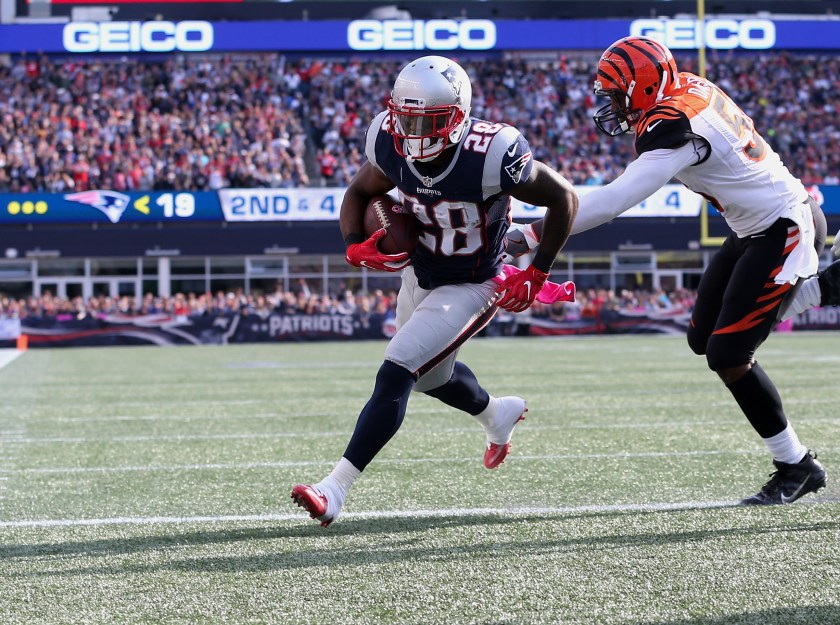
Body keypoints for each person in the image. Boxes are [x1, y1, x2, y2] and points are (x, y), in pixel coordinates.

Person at [506, 36, 830, 505]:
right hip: (754, 226)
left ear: (642, 88)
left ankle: (796, 464)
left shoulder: (677, 127)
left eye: (618, 94)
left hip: (785, 229)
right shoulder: (685, 89)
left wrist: (533, 233)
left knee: (728, 355)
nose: (613, 105)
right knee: (702, 339)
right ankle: (818, 290)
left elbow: (614, 201)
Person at [291, 55, 579, 526]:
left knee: (398, 368)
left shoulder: (492, 153)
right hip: (420, 273)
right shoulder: (388, 139)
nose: (413, 132)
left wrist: (538, 272)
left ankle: (335, 488)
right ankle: (495, 413)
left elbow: (564, 198)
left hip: (474, 281)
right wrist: (353, 247)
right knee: (429, 377)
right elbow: (358, 192)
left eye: (429, 122)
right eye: (405, 118)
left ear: (459, 116)